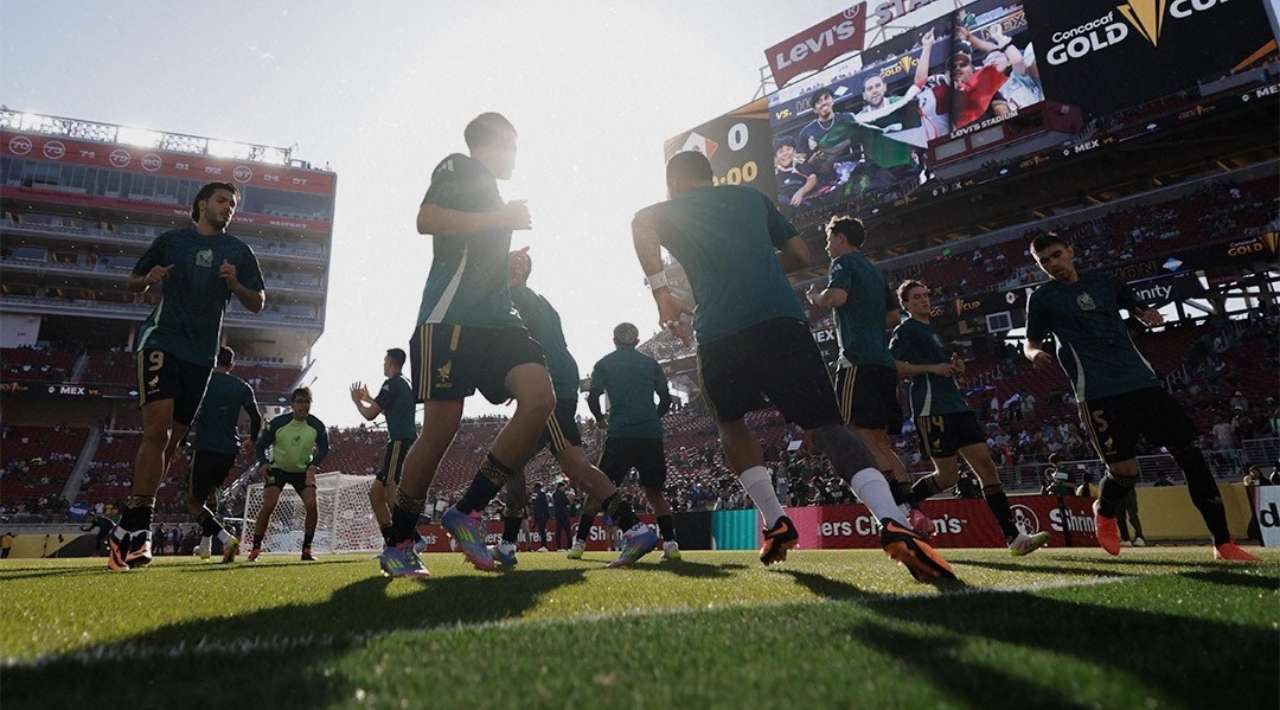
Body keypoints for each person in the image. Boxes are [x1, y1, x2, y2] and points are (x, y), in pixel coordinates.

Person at [631, 150, 954, 582]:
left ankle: (775, 519)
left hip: (720, 332)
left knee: (731, 425)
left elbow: (640, 222)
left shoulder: (670, 209)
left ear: (673, 183)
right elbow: (801, 254)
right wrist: (758, 263)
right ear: (710, 176)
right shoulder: (752, 197)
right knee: (830, 426)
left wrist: (661, 294)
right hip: (782, 321)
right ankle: (891, 519)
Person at [377, 113, 654, 578]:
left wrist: (505, 249)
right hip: (450, 318)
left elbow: (478, 247)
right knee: (441, 429)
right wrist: (500, 218)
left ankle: (467, 510)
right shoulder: (459, 167)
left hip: (498, 318)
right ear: (496, 142)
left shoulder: (494, 196)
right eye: (513, 145)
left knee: (540, 396)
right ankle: (400, 541)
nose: (516, 155)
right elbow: (427, 219)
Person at [1023, 232, 1257, 561]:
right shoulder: (1042, 298)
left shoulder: (1105, 282)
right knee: (1124, 473)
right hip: (1097, 393)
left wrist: (1146, 314)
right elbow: (1030, 342)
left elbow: (1135, 306)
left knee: (1190, 455)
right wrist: (1034, 354)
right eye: (1044, 261)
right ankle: (1104, 510)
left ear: (1070, 251)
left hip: (1142, 383)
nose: (1052, 264)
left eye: (1056, 255)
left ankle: (1223, 543)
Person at [108, 181, 266, 571]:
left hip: (202, 356)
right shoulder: (171, 241)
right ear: (201, 204)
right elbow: (132, 281)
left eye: (233, 204)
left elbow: (259, 302)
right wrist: (149, 278)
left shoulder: (239, 251)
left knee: (173, 443)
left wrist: (235, 284)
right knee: (158, 431)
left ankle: (125, 527)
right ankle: (141, 530)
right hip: (161, 340)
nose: (228, 207)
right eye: (221, 200)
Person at [491, 249, 654, 567]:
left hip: (550, 387)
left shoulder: (515, 297)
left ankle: (634, 529)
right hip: (557, 383)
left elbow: (514, 344)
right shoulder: (538, 301)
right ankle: (508, 544)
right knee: (518, 463)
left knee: (572, 466)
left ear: (515, 270)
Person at [888, 279, 1048, 555]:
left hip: (957, 406)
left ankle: (1013, 537)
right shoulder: (905, 331)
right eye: (916, 297)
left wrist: (955, 368)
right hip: (932, 409)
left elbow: (942, 367)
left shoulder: (933, 331)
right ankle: (903, 506)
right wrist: (933, 369)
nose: (924, 299)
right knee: (947, 477)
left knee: (986, 466)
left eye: (925, 295)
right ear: (906, 304)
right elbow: (893, 367)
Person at [806, 217, 921, 531]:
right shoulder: (874, 270)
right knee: (881, 442)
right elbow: (893, 316)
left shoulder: (843, 263)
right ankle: (913, 508)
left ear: (841, 238)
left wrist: (816, 298)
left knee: (859, 436)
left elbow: (836, 297)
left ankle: (895, 510)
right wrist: (867, 321)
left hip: (856, 361)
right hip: (882, 362)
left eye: (829, 240)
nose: (827, 247)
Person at [578, 322, 681, 560]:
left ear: (614, 341)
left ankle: (579, 543)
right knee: (655, 493)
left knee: (600, 489)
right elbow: (666, 399)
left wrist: (599, 419)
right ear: (637, 341)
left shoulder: (604, 363)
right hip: (650, 435)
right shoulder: (651, 364)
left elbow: (593, 397)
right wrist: (652, 418)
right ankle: (671, 544)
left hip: (620, 434)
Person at [188, 345, 260, 564]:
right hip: (229, 450)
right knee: (211, 497)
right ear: (232, 364)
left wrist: (181, 438)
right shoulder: (242, 386)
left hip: (206, 446)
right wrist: (252, 440)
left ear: (213, 361)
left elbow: (188, 411)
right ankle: (205, 546)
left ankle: (226, 539)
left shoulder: (202, 382)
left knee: (194, 503)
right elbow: (256, 417)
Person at [247, 387, 329, 562]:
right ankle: (255, 549)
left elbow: (324, 448)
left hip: (302, 471)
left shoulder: (317, 425)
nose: (303, 405)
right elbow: (261, 446)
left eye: (307, 401)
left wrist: (313, 466)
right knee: (269, 504)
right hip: (278, 469)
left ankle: (306, 550)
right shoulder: (278, 423)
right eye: (299, 401)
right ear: (292, 404)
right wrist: (263, 463)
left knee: (312, 505)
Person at [349, 348, 417, 548]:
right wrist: (370, 399)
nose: (383, 365)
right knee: (376, 495)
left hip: (399, 441)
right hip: (403, 441)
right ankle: (391, 541)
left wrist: (357, 402)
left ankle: (411, 537)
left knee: (389, 489)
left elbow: (370, 415)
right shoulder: (403, 382)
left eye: (385, 361)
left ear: (391, 362)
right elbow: (389, 409)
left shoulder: (391, 383)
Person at [552, 482, 572, 551]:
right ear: (560, 487)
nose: (564, 488)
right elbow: (566, 502)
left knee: (559, 531)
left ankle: (559, 547)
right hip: (563, 514)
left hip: (558, 514)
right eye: (563, 487)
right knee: (567, 531)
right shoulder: (561, 494)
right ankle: (569, 546)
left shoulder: (554, 494)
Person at [531, 483, 550, 552]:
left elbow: (544, 506)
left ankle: (544, 546)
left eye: (534, 487)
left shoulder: (542, 495)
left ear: (537, 488)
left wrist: (545, 515)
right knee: (541, 531)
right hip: (539, 516)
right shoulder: (538, 495)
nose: (533, 489)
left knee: (542, 531)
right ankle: (543, 545)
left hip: (542, 516)